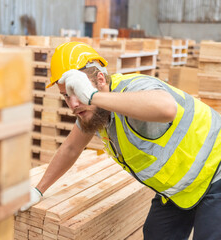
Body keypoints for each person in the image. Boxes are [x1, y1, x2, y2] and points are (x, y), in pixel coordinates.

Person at [20, 41, 221, 240]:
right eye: (66, 96)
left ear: (100, 79)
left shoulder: (131, 89)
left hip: (216, 172)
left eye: (76, 91)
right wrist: (38, 190)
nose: (73, 104)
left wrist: (92, 97)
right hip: (180, 188)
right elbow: (72, 148)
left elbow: (166, 108)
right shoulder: (93, 112)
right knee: (156, 234)